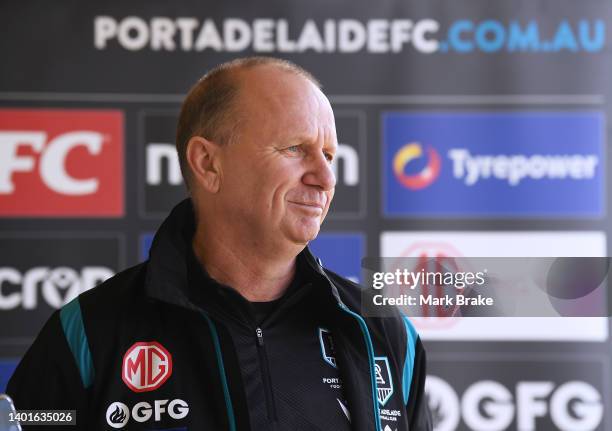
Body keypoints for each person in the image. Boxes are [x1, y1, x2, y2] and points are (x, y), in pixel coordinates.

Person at [7, 57, 431, 430]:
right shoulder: (88, 332)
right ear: (208, 163)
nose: (325, 178)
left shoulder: (383, 335)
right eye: (295, 149)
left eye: (329, 154)